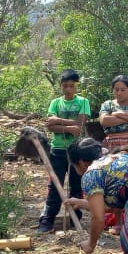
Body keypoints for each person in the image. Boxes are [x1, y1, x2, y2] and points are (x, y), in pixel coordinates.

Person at [37, 69, 91, 234]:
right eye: (65, 86)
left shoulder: (83, 102)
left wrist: (58, 121)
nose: (68, 89)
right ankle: (47, 221)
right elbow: (50, 126)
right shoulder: (55, 103)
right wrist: (69, 126)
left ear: (76, 86)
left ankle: (75, 219)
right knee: (55, 185)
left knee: (76, 186)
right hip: (58, 150)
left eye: (71, 86)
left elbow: (79, 126)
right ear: (61, 86)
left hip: (75, 151)